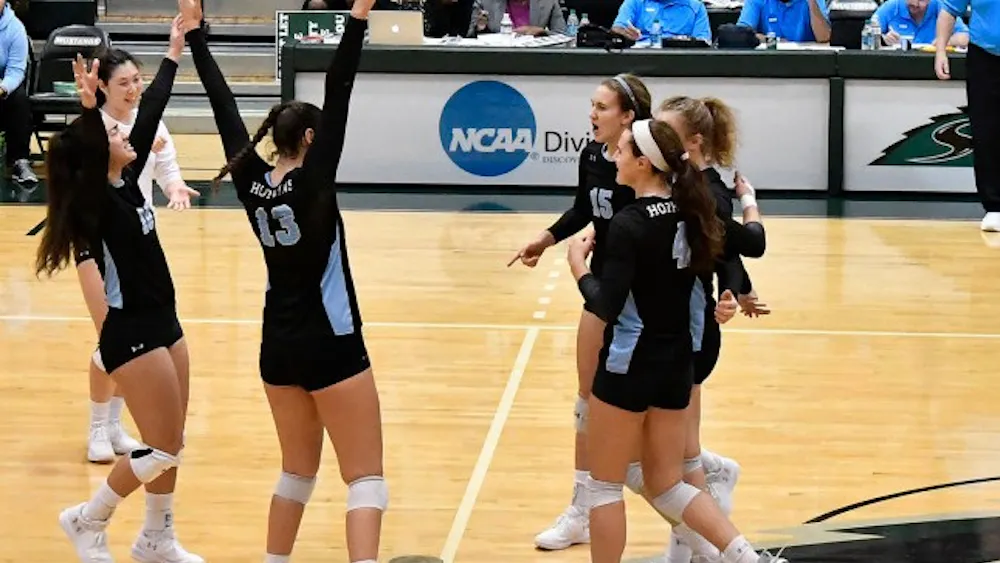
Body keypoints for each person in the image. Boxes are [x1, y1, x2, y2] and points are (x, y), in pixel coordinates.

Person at [183, 0, 387, 560]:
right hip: (332, 342)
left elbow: (224, 109)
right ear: (315, 140)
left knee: (296, 472)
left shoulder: (252, 182)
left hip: (277, 346)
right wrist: (358, 17)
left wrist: (197, 36)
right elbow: (341, 86)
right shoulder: (316, 181)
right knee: (365, 477)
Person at [567, 118, 786, 563]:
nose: (614, 157)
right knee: (668, 483)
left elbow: (605, 305)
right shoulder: (696, 211)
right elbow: (741, 250)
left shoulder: (630, 223)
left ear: (644, 163)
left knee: (605, 484)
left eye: (623, 151)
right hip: (676, 364)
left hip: (628, 364)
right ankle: (745, 557)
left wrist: (577, 266)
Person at [36, 10, 203, 563]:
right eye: (112, 132)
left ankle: (157, 538)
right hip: (131, 330)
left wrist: (175, 49)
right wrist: (89, 111)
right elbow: (88, 146)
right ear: (95, 148)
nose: (124, 132)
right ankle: (88, 519)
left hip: (165, 316)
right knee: (159, 446)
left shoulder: (127, 179)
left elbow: (149, 112)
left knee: (172, 445)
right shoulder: (94, 205)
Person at [510, 73, 652, 551]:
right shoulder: (592, 156)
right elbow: (582, 211)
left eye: (602, 107)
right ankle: (581, 510)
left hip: (642, 301)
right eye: (591, 105)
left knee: (645, 417)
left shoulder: (647, 167)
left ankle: (702, 475)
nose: (592, 115)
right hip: (603, 291)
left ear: (629, 116)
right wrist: (546, 239)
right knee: (586, 402)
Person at [635, 96, 770, 563]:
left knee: (667, 464)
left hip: (690, 335)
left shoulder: (707, 192)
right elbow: (721, 253)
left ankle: (708, 545)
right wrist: (737, 290)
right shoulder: (674, 184)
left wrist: (749, 203)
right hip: (666, 330)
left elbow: (742, 245)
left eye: (666, 134)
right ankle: (708, 503)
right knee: (670, 457)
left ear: (693, 142)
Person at [83, 46, 200, 464]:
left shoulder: (149, 125)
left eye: (137, 80)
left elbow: (167, 166)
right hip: (99, 250)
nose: (133, 89)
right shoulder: (95, 131)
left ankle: (114, 425)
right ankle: (97, 424)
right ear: (102, 87)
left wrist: (175, 187)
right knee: (111, 343)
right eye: (124, 82)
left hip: (138, 240)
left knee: (134, 345)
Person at [934, 0, 1000, 231]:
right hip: (985, 57)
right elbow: (949, 10)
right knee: (986, 130)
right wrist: (941, 50)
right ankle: (995, 207)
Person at [0, 0, 38, 188]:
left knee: (19, 99)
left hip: (3, 89)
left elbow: (15, 71)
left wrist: (2, 88)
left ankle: (19, 161)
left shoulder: (15, 28)